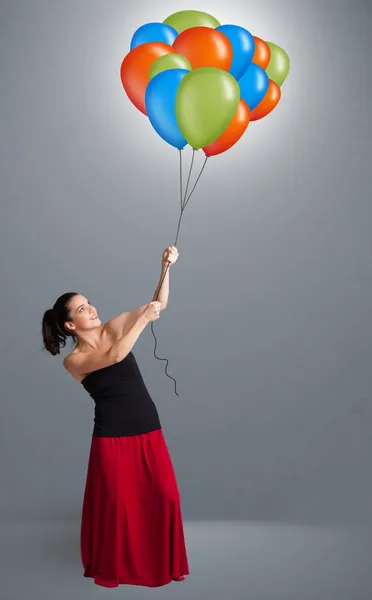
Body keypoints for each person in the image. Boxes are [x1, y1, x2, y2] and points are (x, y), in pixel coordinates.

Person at [41, 246, 189, 588]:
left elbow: (158, 304)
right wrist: (141, 321)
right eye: (81, 308)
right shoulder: (74, 361)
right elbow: (116, 354)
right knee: (119, 509)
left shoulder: (116, 325)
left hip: (147, 429)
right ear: (69, 324)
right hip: (111, 440)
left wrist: (165, 268)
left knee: (165, 496)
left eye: (88, 302)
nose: (90, 307)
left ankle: (161, 565)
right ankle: (118, 568)